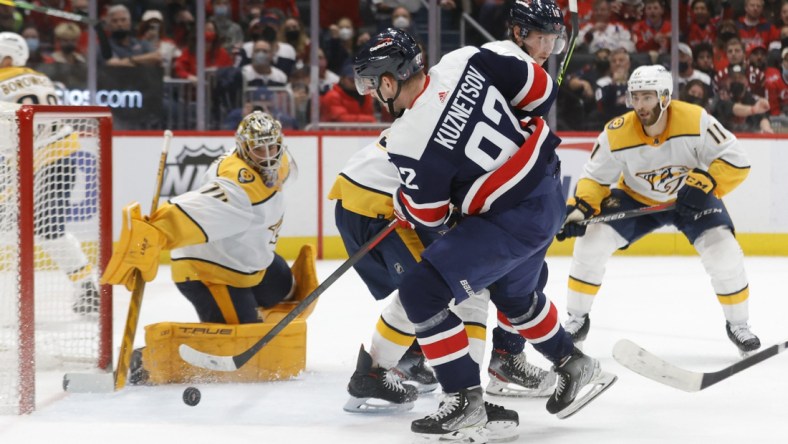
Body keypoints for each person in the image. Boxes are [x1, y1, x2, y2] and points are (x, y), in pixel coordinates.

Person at [352, 2, 615, 440]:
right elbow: (540, 94)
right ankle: (576, 363)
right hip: (548, 191)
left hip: (509, 219)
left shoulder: (404, 140)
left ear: (386, 79)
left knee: (421, 293)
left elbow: (432, 219)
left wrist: (404, 202)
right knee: (517, 298)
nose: (370, 94)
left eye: (369, 85)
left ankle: (464, 401)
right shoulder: (467, 58)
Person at [557, 65, 762, 358]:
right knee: (592, 242)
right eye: (635, 98)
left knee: (724, 253)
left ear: (664, 97)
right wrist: (581, 208)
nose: (639, 106)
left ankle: (739, 325)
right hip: (636, 197)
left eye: (647, 97)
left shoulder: (694, 119)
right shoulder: (617, 132)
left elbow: (737, 160)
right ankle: (577, 319)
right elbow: (594, 178)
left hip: (690, 198)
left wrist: (706, 180)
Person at [101, 112, 314, 382]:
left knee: (287, 288)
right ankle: (145, 360)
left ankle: (248, 305)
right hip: (209, 271)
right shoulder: (237, 187)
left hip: (246, 260)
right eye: (259, 148)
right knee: (243, 348)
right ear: (244, 148)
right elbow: (194, 211)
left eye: (273, 146)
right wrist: (154, 233)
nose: (268, 154)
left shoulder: (277, 162)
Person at [0, 32, 98, 313]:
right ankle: (87, 287)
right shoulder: (40, 77)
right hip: (61, 152)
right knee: (49, 230)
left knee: (45, 228)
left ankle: (87, 287)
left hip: (32, 156)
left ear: (7, 57)